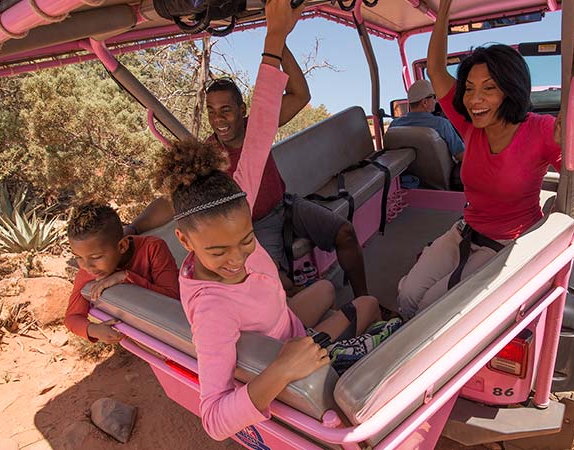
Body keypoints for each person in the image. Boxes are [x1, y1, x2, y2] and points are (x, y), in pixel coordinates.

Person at [153, 1, 383, 440]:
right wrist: (283, 367)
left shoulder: (236, 191)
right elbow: (215, 420)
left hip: (285, 316)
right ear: (184, 238)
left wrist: (275, 38)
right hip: (288, 346)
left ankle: (330, 319)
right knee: (369, 307)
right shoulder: (212, 313)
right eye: (218, 250)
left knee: (324, 285)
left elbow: (259, 131)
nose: (239, 258)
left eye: (245, 240)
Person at [397, 0, 574, 320]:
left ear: (510, 90)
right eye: (469, 88)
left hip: (509, 241)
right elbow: (436, 68)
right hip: (466, 229)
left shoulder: (540, 131)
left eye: (489, 88)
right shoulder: (470, 124)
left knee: (431, 308)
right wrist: (443, 10)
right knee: (407, 295)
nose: (474, 99)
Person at [126, 36, 369, 298]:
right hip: (251, 226)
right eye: (211, 110)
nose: (217, 118)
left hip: (285, 205)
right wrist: (134, 227)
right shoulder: (208, 156)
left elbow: (300, 95)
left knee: (345, 232)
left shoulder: (259, 128)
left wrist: (279, 41)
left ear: (242, 110)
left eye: (226, 110)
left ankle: (364, 300)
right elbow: (173, 201)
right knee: (269, 282)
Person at [64, 202, 180, 343]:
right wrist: (93, 329)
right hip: (145, 341)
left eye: (96, 257)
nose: (87, 266)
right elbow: (72, 317)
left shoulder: (153, 248)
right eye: (78, 257)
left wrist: (126, 277)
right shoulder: (87, 273)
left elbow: (173, 298)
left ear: (123, 245)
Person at [389, 79, 464, 161]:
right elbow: (460, 155)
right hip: (439, 173)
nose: (436, 101)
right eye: (434, 97)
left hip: (406, 173)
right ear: (424, 102)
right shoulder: (441, 124)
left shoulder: (394, 125)